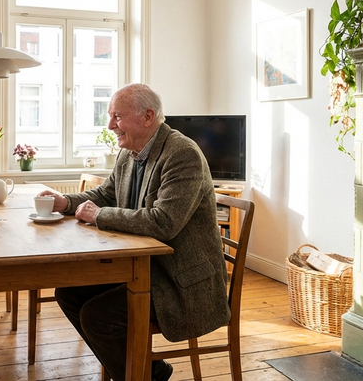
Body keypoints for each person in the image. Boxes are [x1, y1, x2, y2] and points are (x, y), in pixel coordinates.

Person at [39, 83, 230, 381]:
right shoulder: (129, 153)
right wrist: (65, 202)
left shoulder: (183, 154)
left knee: (98, 317)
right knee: (69, 294)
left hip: (181, 282)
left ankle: (143, 375)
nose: (110, 125)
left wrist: (99, 215)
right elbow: (105, 195)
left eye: (117, 116)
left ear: (147, 116)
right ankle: (148, 372)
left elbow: (163, 222)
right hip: (144, 268)